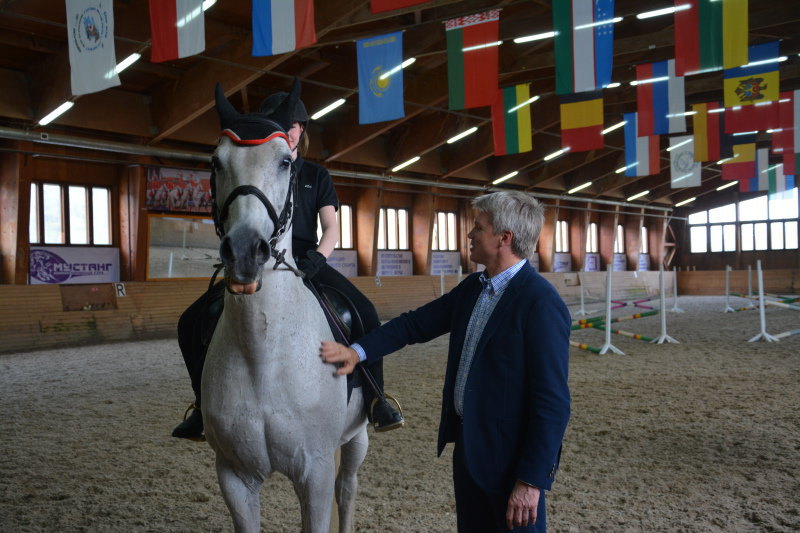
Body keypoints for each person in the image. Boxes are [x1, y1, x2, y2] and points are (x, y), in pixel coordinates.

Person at [320, 191, 571, 532]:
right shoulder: (474, 288)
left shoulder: (541, 302)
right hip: (469, 452)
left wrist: (531, 480)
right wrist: (358, 351)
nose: (469, 234)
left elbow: (553, 403)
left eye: (478, 227)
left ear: (504, 238)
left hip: (513, 466)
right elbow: (414, 324)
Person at [172, 88, 404, 440]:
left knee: (366, 312)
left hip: (307, 261)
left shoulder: (315, 174)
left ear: (302, 130)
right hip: (257, 260)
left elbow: (332, 228)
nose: (291, 130)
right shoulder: (255, 167)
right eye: (285, 124)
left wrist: (318, 258)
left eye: (296, 125)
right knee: (190, 321)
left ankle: (375, 398)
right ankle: (202, 406)